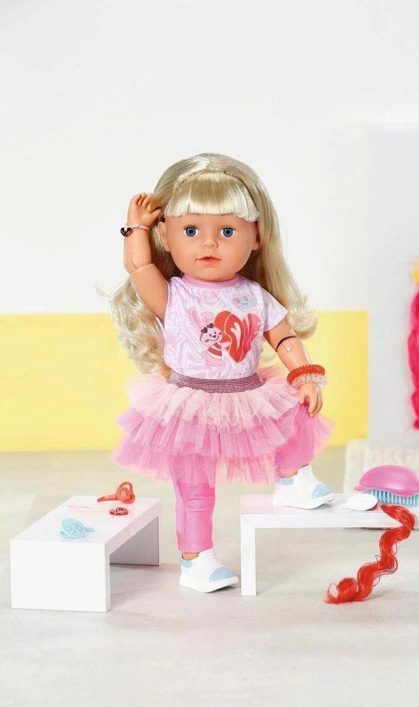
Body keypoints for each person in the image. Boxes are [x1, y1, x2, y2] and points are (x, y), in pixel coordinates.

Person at [110, 153, 336, 593]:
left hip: (247, 393)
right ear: (166, 237)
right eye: (191, 231)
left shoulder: (255, 296)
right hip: (190, 401)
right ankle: (197, 559)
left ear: (256, 238)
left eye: (227, 231)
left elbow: (284, 338)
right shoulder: (175, 296)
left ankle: (292, 478)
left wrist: (305, 374)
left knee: (297, 407)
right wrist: (135, 228)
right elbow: (138, 267)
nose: (209, 244)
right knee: (196, 488)